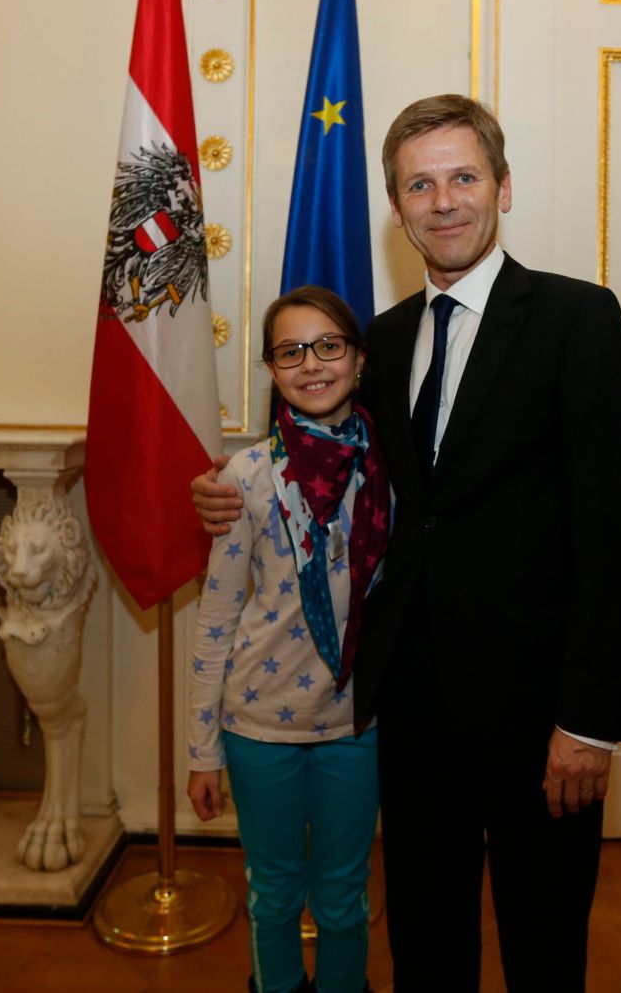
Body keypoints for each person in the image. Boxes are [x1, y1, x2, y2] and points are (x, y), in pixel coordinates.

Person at [194, 94, 621, 989]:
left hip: (537, 706)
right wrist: (220, 489)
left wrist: (588, 718)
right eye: (419, 185)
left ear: (502, 187)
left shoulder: (577, 320)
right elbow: (326, 454)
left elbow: (611, 526)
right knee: (426, 936)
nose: (444, 201)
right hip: (411, 702)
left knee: (543, 937)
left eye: (463, 177)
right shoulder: (385, 340)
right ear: (397, 211)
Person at [185, 285, 387, 993]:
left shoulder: (389, 473)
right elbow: (215, 618)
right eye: (291, 350)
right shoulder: (245, 476)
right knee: (273, 893)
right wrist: (202, 748)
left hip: (353, 724)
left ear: (359, 359)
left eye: (329, 345)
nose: (312, 363)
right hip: (257, 723)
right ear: (272, 369)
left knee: (342, 894)